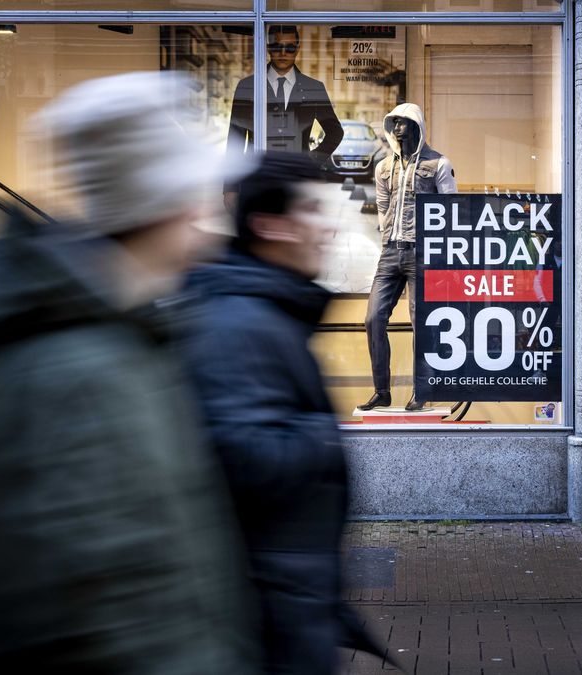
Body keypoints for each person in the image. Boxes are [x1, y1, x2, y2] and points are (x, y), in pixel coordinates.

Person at [0, 73, 257, 673]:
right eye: (195, 194)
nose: (207, 218)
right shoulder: (82, 369)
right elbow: (113, 609)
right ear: (162, 205)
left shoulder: (126, 336)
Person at [181, 152, 385, 673]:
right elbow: (235, 454)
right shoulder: (237, 323)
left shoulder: (264, 311)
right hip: (266, 620)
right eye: (312, 211)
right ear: (269, 225)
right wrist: (320, 436)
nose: (330, 227)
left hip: (286, 609)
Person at [360, 102, 456, 412]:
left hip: (423, 254)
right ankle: (382, 390)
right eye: (394, 123)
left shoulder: (439, 164)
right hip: (390, 252)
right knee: (373, 318)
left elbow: (450, 211)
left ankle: (422, 390)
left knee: (422, 322)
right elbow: (384, 208)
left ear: (417, 125)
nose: (397, 129)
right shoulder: (384, 167)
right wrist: (387, 236)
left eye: (403, 123)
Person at [225, 25, 343, 202]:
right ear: (267, 47)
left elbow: (335, 132)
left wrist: (310, 161)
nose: (283, 53)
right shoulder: (247, 86)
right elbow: (235, 140)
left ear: (297, 49)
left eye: (289, 47)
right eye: (276, 46)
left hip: (298, 183)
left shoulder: (313, 88)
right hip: (256, 180)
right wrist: (230, 188)